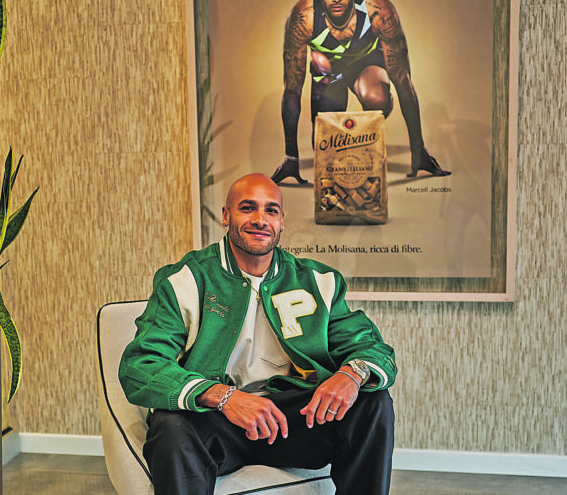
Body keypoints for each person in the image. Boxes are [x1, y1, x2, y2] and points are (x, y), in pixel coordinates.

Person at [119, 173, 397, 495]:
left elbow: (371, 347)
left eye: (271, 210)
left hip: (296, 421)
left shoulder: (319, 281)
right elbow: (141, 365)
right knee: (170, 425)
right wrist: (222, 396)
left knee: (373, 401)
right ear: (226, 215)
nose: (260, 220)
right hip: (218, 421)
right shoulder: (184, 280)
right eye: (248, 208)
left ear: (281, 222)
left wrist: (351, 374)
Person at [271, 0, 450, 184]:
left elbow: (403, 80)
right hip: (329, 73)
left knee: (377, 98)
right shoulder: (303, 17)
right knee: (325, 143)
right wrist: (291, 157)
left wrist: (419, 150)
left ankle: (375, 118)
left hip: (365, 64)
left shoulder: (379, 11)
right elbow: (292, 88)